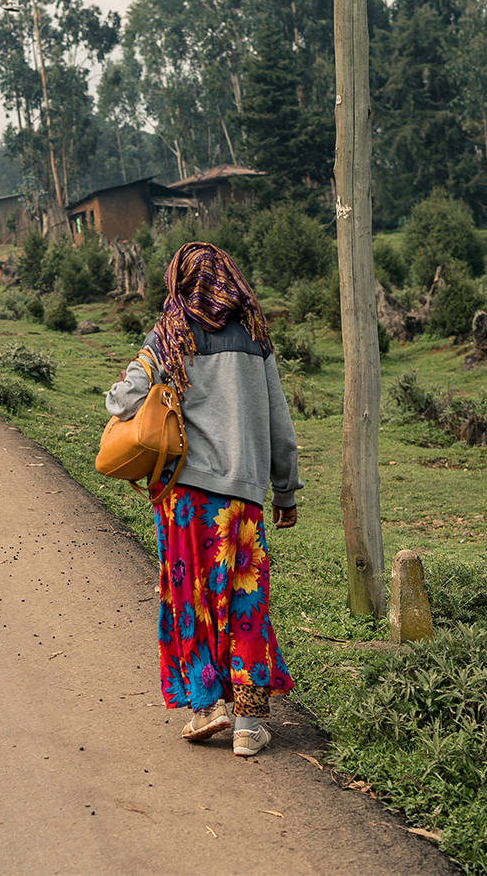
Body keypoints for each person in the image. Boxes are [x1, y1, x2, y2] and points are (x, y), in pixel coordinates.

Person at [105, 242, 302, 757]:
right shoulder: (257, 339)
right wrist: (285, 490)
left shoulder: (170, 333)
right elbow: (280, 425)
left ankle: (206, 704)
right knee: (246, 602)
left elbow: (122, 398)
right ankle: (248, 726)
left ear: (179, 280)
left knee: (189, 598)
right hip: (243, 503)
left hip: (184, 500)